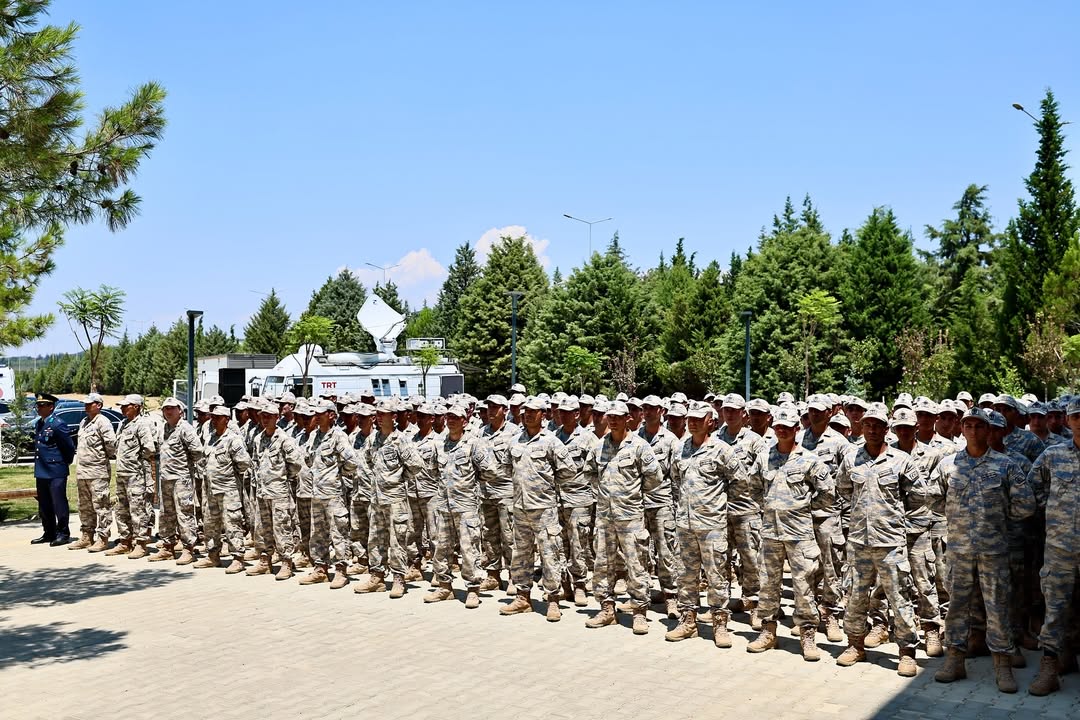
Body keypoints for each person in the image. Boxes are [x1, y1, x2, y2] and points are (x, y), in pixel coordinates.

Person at [932, 407, 1035, 693]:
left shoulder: (1006, 466)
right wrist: (960, 519)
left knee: (998, 607)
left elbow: (1025, 505)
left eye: (980, 426)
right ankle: (954, 660)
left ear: (989, 430)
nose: (974, 431)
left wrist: (995, 520)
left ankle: (1002, 665)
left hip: (994, 551)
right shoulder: (948, 465)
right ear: (962, 429)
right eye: (969, 426)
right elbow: (933, 499)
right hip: (960, 551)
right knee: (957, 607)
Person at [835, 404, 927, 677]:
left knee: (900, 598)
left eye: (877, 425)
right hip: (859, 542)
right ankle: (855, 644)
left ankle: (907, 652)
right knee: (855, 595)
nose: (872, 430)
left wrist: (897, 523)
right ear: (861, 428)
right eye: (868, 425)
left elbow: (918, 496)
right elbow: (843, 488)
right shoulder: (851, 459)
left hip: (890, 543)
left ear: (887, 430)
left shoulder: (902, 460)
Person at [746, 406, 833, 661]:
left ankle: (807, 635)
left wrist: (803, 509)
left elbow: (827, 492)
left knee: (803, 586)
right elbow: (753, 487)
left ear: (797, 429)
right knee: (768, 585)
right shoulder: (764, 458)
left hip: (800, 534)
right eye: (778, 426)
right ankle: (768, 631)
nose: (781, 430)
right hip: (771, 533)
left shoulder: (809, 460)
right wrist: (767, 507)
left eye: (787, 426)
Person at [664, 402, 749, 648]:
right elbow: (675, 480)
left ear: (710, 421)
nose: (693, 423)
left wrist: (718, 504)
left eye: (699, 419)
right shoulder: (680, 449)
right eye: (690, 418)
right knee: (686, 574)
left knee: (716, 575)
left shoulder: (722, 450)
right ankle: (688, 621)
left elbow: (739, 481)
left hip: (712, 524)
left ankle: (720, 623)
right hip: (685, 524)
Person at [583, 401, 662, 635]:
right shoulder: (599, 447)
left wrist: (630, 495)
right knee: (603, 565)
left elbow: (654, 478)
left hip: (631, 517)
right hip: (605, 517)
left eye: (618, 416)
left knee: (636, 564)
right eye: (611, 417)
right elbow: (590, 473)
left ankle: (639, 612)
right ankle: (607, 609)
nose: (613, 420)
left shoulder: (639, 446)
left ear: (628, 418)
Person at [499, 396, 576, 622]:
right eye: (525, 413)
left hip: (544, 509)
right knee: (520, 554)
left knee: (550, 555)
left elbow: (568, 470)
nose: (528, 415)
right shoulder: (515, 442)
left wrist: (547, 485)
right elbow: (506, 468)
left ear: (544, 415)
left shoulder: (551, 441)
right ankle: (523, 598)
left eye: (533, 412)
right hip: (520, 508)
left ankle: (552, 599)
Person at [1026, 398, 1080, 695]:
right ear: (1068, 421)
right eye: (1076, 417)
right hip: (1060, 549)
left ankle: (1069, 657)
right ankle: (1050, 665)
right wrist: (1053, 513)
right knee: (1056, 609)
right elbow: (1032, 489)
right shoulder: (1053, 455)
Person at [424, 404, 495, 609]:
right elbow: (432, 470)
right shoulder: (438, 444)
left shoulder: (474, 444)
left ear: (465, 421)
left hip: (466, 506)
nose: (452, 421)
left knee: (469, 548)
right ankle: (445, 587)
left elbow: (489, 471)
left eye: (456, 418)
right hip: (443, 505)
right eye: (449, 417)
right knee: (440, 547)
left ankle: (473, 589)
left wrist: (471, 487)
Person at [194, 405, 252, 573]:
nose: (214, 420)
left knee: (232, 523)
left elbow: (244, 463)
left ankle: (238, 558)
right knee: (210, 524)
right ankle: (213, 555)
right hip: (211, 489)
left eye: (218, 417)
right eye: (212, 417)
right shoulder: (211, 438)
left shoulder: (233, 439)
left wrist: (230, 478)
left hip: (228, 490)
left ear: (226, 419)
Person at [151, 397, 203, 565]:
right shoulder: (163, 428)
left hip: (181, 479)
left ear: (180, 411)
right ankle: (167, 547)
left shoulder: (185, 429)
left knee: (184, 513)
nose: (168, 411)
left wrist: (185, 467)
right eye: (166, 409)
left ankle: (189, 548)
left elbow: (197, 451)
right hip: (166, 478)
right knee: (166, 514)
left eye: (172, 408)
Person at [106, 394, 159, 558]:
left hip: (135, 475)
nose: (122, 408)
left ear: (136, 406)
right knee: (121, 510)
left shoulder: (141, 424)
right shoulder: (123, 424)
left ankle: (141, 543)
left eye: (126, 406)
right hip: (121, 474)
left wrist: (136, 460)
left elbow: (149, 448)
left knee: (138, 510)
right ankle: (125, 542)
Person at [30, 393, 76, 546]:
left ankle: (63, 533)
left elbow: (69, 448)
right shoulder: (39, 423)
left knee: (58, 503)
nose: (39, 408)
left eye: (42, 405)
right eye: (38, 405)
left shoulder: (58, 424)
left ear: (51, 407)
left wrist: (63, 463)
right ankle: (49, 532)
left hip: (56, 470)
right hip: (42, 470)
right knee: (44, 504)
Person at [73, 392, 116, 552]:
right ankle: (86, 536)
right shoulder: (84, 422)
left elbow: (111, 446)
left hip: (98, 472)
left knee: (101, 506)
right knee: (84, 507)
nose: (86, 406)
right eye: (85, 404)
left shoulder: (103, 422)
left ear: (99, 405)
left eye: (89, 404)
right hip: (82, 472)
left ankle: (103, 538)